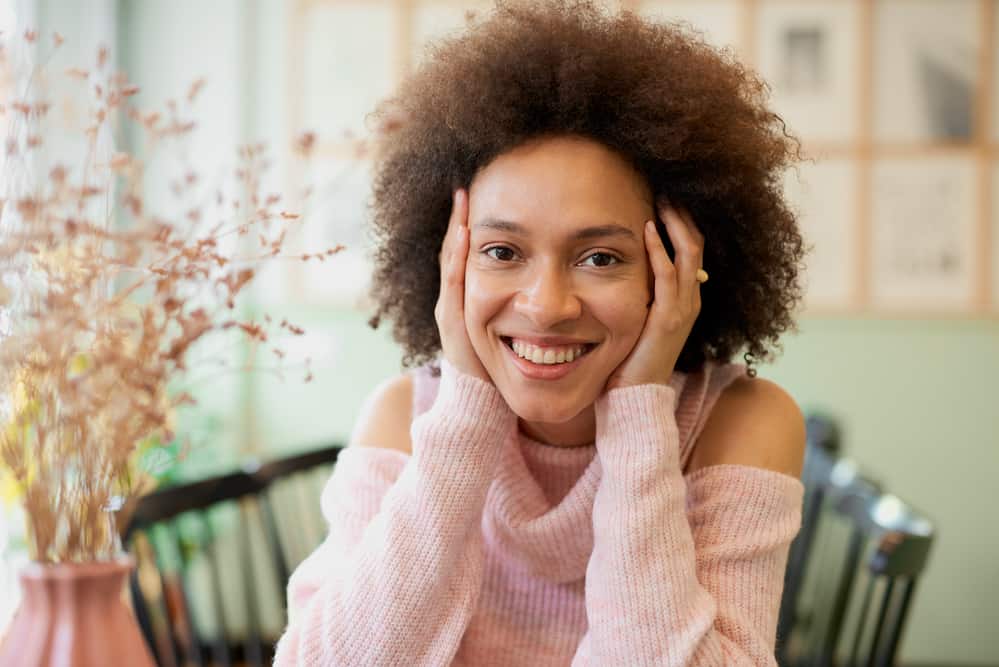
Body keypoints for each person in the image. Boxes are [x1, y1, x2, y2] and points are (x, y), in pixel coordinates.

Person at [274, 1, 808, 664]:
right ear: (448, 261)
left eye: (600, 258)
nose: (547, 305)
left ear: (677, 267)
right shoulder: (403, 418)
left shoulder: (739, 421)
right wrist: (466, 408)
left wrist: (639, 412)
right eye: (501, 251)